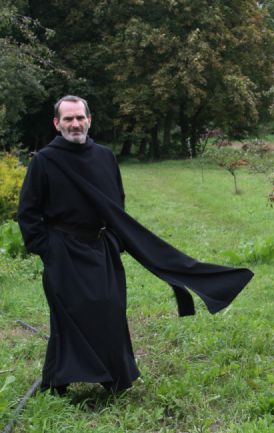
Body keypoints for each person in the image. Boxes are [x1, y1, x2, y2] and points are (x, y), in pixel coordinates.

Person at [18, 95, 253, 394]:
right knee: (69, 314)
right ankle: (59, 381)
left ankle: (114, 378)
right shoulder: (44, 161)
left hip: (100, 248)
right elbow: (28, 212)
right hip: (64, 251)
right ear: (57, 123)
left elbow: (117, 203)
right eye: (68, 119)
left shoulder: (104, 157)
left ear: (89, 120)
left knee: (111, 310)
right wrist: (47, 248)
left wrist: (115, 240)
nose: (75, 123)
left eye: (80, 117)